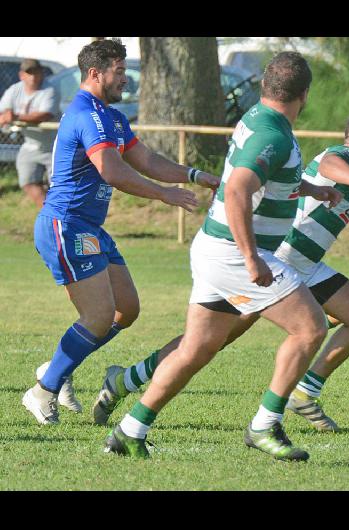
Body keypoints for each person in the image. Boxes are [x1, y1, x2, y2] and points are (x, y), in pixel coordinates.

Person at [93, 109, 349, 433]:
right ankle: (127, 379)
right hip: (278, 263)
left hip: (307, 267)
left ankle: (305, 392)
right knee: (208, 340)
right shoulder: (345, 160)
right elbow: (328, 163)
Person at [102, 51, 344, 461]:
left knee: (196, 349)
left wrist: (312, 190)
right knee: (310, 328)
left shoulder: (257, 118)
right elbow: (236, 191)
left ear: (266, 86)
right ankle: (264, 425)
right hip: (234, 254)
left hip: (214, 250)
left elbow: (265, 178)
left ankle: (129, 429)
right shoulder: (274, 133)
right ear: (304, 94)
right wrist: (252, 259)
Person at [21, 39, 217, 426]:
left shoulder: (110, 116)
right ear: (96, 72)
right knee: (96, 317)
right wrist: (163, 194)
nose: (125, 78)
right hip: (66, 224)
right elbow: (111, 170)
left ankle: (57, 367)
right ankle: (43, 390)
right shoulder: (86, 114)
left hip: (89, 227)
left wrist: (194, 175)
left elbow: (145, 159)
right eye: (120, 70)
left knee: (125, 309)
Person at [0, 58, 60, 208]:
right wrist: (7, 113)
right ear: (22, 75)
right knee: (27, 182)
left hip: (54, 146)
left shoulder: (49, 90)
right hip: (31, 144)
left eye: (36, 72)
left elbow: (45, 114)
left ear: (42, 74)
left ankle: (70, 220)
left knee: (61, 187)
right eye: (29, 73)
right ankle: (52, 214)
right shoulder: (15, 89)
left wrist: (15, 117)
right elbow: (5, 109)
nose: (33, 76)